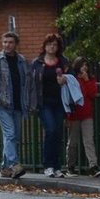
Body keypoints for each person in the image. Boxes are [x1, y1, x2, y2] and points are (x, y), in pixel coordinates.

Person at [0, 29, 34, 178]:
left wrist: (29, 103)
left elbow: (28, 83)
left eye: (10, 42)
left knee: (14, 136)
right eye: (5, 42)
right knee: (10, 133)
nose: (7, 45)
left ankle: (5, 168)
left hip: (18, 103)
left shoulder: (22, 61)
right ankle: (14, 164)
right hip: (3, 104)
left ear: (16, 44)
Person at [30, 32, 71, 177]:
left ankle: (57, 166)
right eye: (49, 44)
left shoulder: (63, 62)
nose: (52, 47)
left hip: (60, 102)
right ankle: (48, 165)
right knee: (51, 130)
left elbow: (72, 79)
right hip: (44, 102)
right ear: (44, 46)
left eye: (55, 45)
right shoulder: (37, 63)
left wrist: (65, 80)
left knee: (59, 133)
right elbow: (31, 83)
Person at [66, 57, 100, 176]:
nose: (85, 68)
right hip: (74, 114)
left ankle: (93, 166)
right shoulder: (72, 79)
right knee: (73, 141)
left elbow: (92, 94)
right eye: (82, 65)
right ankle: (70, 166)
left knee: (88, 140)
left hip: (87, 114)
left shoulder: (90, 79)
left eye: (86, 65)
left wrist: (87, 80)